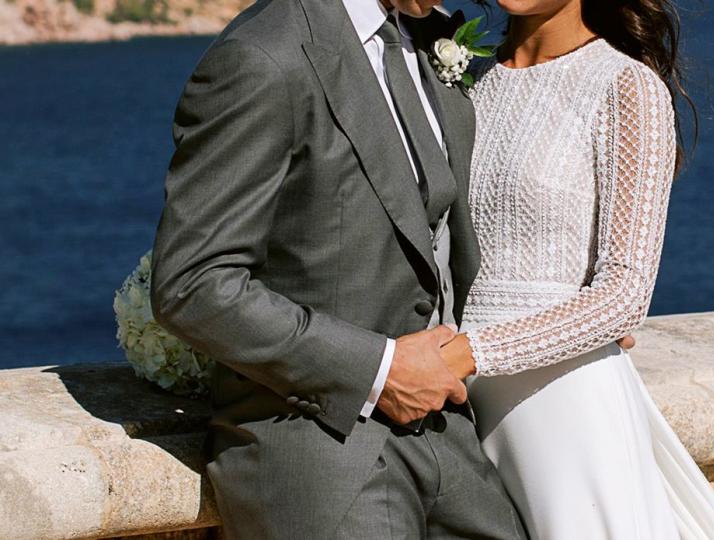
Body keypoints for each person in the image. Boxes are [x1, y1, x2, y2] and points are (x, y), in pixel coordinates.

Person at [149, 0, 528, 537]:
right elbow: (193, 285)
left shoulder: (433, 36)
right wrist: (380, 371)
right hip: (323, 455)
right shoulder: (263, 56)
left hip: (453, 443)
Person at [437, 0, 714, 537]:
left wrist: (470, 353)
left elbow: (625, 296)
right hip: (457, 403)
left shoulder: (625, 86)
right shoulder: (468, 75)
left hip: (562, 406)